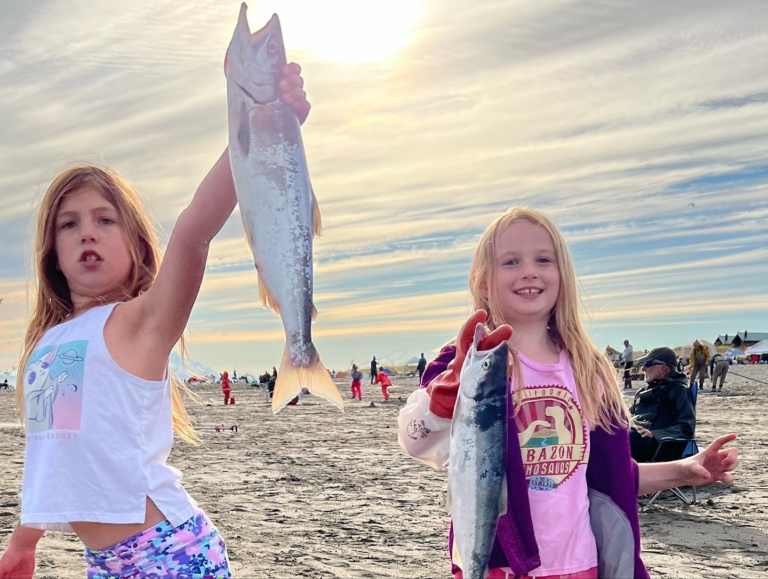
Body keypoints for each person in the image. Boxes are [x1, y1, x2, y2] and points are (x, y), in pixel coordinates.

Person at [0, 64, 310, 579]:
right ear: (51, 251)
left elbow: (192, 232)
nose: (87, 234)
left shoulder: (141, 323)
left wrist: (259, 126)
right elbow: (53, 448)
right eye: (69, 224)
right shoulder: (47, 344)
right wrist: (24, 539)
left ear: (137, 243)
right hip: (104, 562)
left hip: (169, 550)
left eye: (105, 220)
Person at [397, 208, 739, 579]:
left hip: (581, 564)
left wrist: (684, 471)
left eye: (544, 259)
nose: (529, 270)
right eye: (510, 261)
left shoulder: (587, 368)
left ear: (563, 275)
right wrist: (449, 391)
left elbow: (611, 476)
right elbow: (415, 440)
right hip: (499, 565)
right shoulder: (466, 361)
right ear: (482, 282)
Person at [629, 347, 696, 463]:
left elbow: (686, 428)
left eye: (648, 363)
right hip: (635, 436)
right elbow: (627, 416)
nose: (643, 368)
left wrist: (654, 434)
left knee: (627, 438)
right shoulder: (641, 392)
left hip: (659, 447)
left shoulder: (678, 390)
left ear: (663, 368)